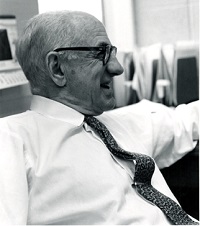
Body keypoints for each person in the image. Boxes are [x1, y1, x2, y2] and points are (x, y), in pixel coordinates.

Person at [0, 10, 199, 225]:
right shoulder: (11, 139)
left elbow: (186, 119)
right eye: (101, 53)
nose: (117, 67)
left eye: (113, 52)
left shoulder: (121, 122)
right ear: (57, 68)